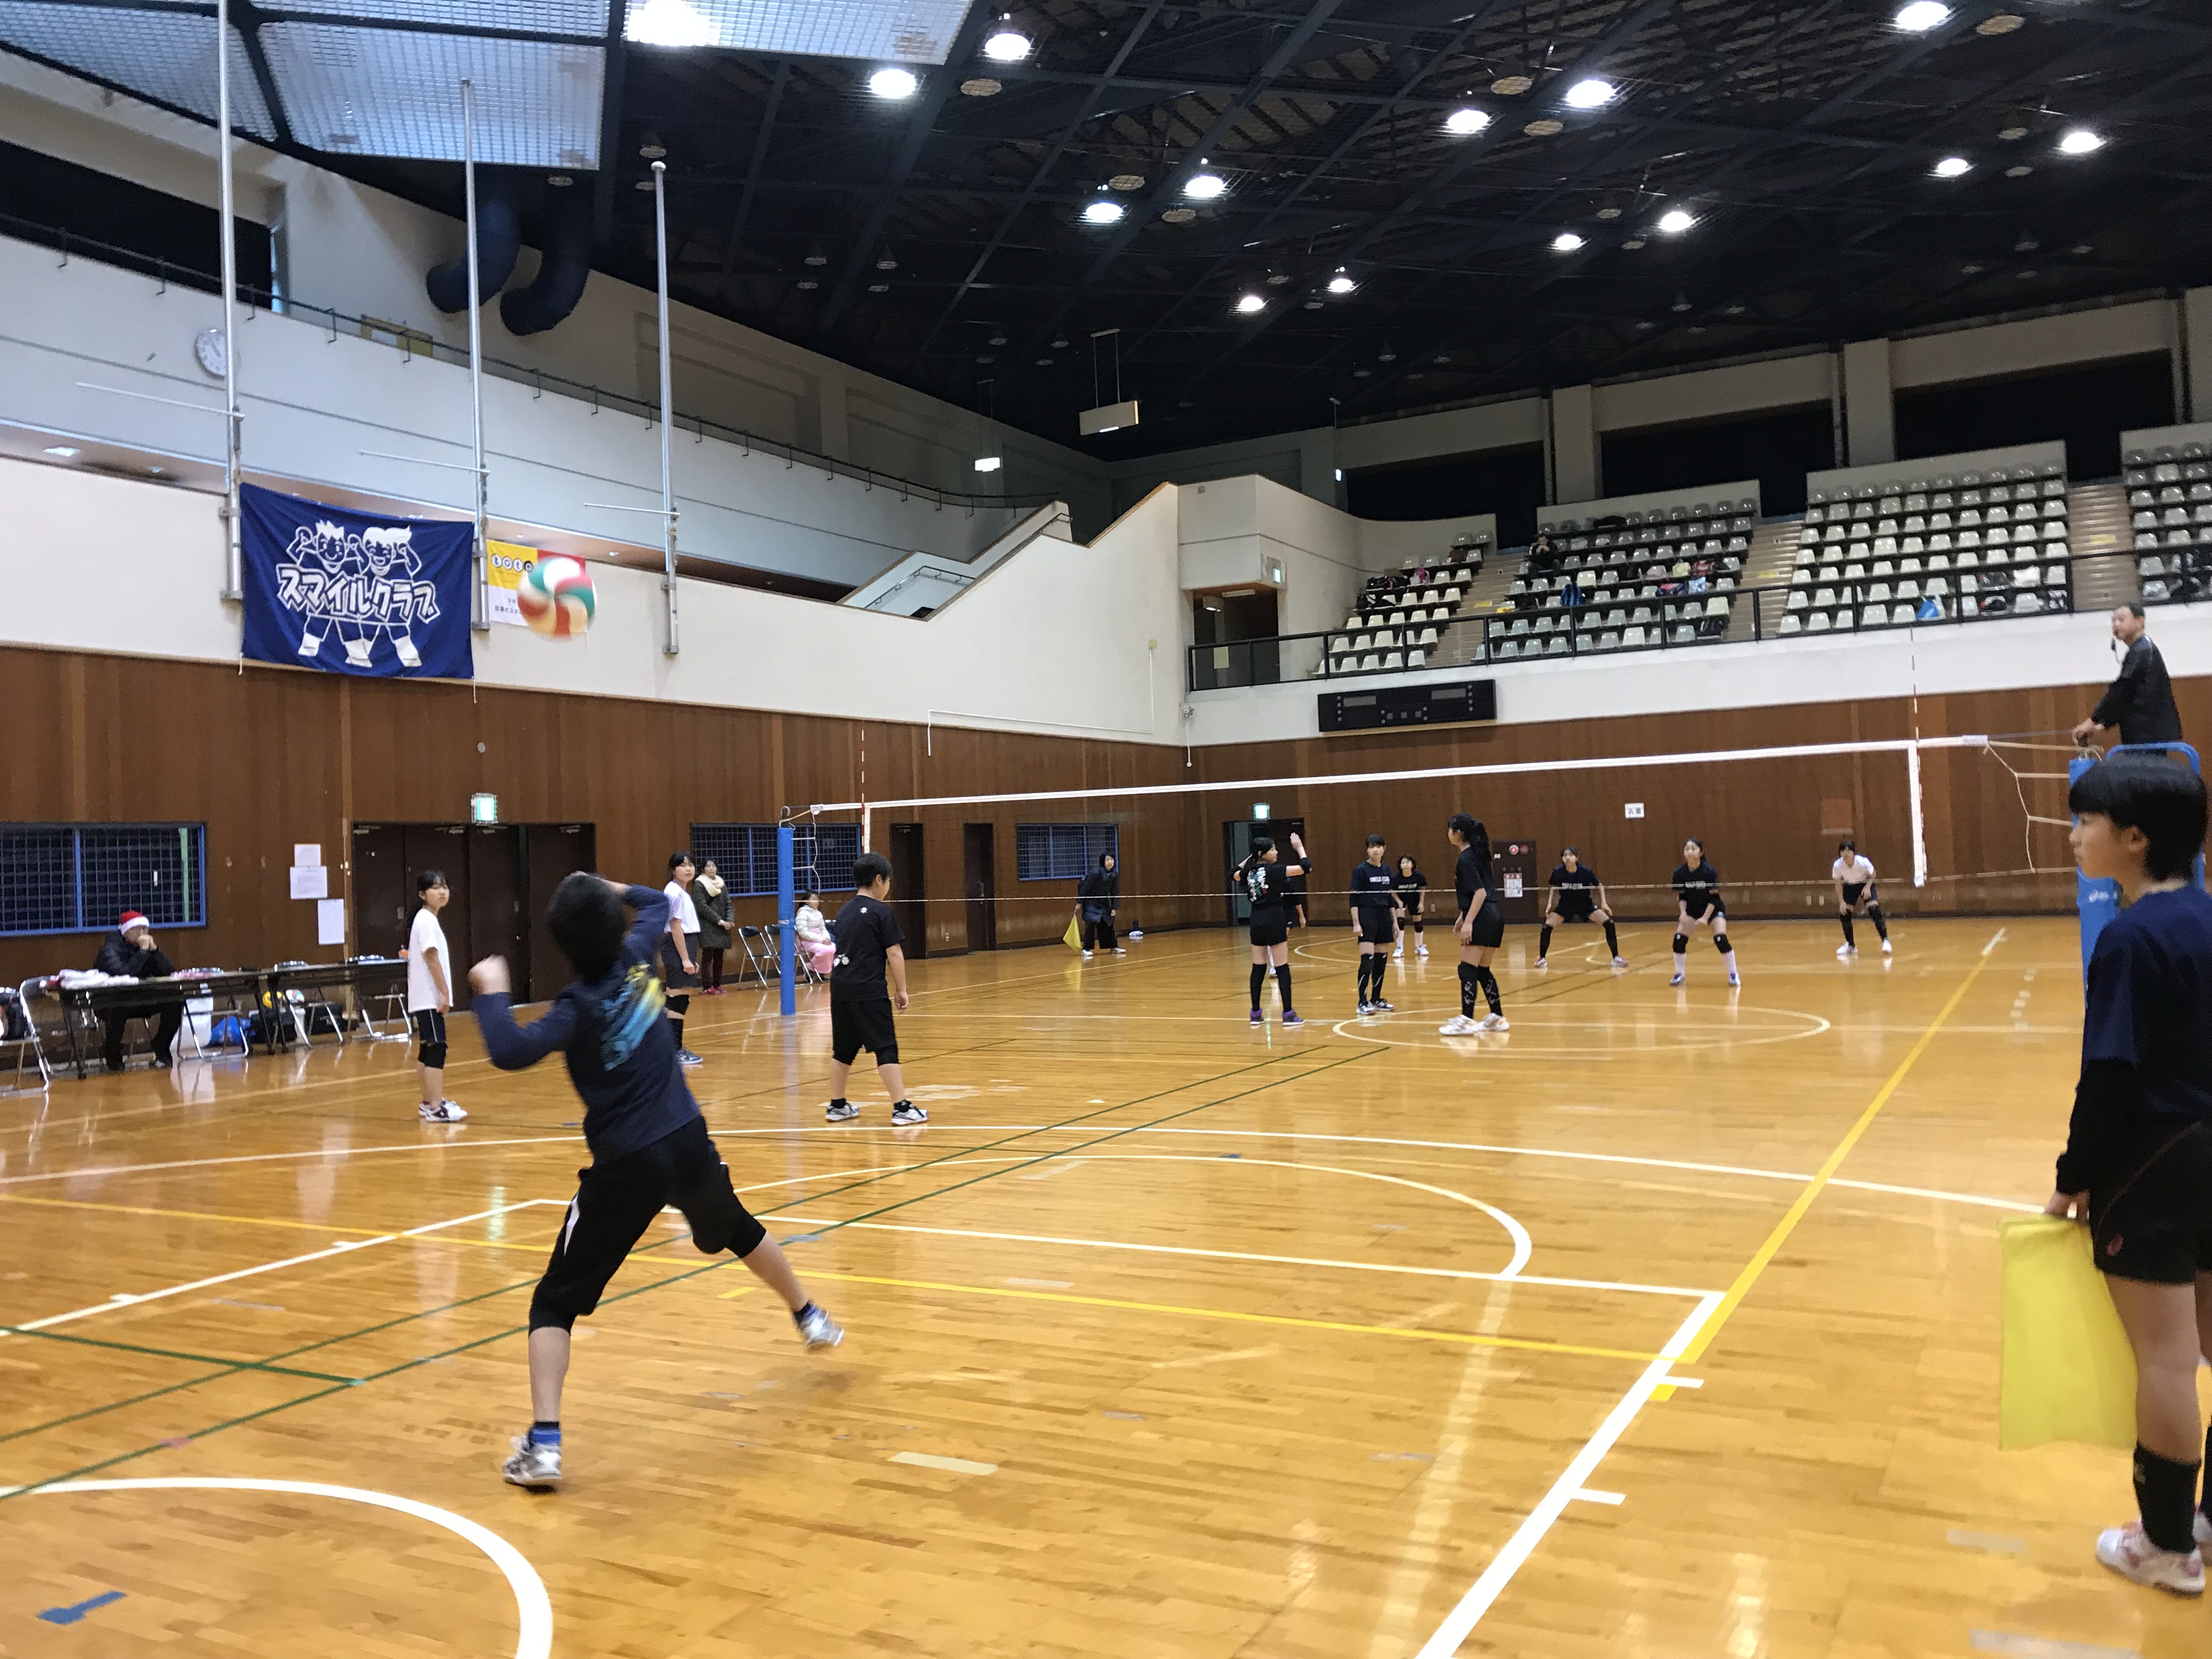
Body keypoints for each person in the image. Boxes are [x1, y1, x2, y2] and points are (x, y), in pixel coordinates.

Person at [468, 876, 844, 1491]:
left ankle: (544, 1447)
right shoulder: (640, 952)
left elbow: (510, 1050)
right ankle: (809, 1316)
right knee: (737, 1228)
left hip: (627, 1165)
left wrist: (492, 992)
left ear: (561, 944)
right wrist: (607, 885)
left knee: (554, 1303)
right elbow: (654, 901)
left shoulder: (576, 1007)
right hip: (686, 1138)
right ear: (613, 925)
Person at [2042, 757, 2212, 1594]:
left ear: (2135, 839)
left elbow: (2109, 1073)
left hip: (2156, 1167)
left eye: (2086, 822)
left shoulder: (2130, 938)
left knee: (2167, 1360)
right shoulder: (2207, 920)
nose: (2074, 836)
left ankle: (2169, 1547)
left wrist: (2074, 1175)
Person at [824, 852, 926, 1125]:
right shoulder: (882, 912)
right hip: (868, 989)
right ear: (879, 880)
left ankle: (837, 1105)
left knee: (843, 1049)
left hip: (841, 988)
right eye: (888, 881)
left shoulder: (844, 911)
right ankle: (902, 1108)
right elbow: (894, 952)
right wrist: (902, 990)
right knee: (886, 1046)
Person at [2075, 605, 2185, 751]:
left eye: (2121, 620)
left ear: (2139, 621)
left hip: (2148, 736)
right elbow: (2128, 697)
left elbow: (2123, 689)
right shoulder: (2140, 649)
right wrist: (2103, 724)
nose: (2116, 625)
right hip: (2145, 734)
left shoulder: (2142, 650)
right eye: (2113, 621)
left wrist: (2093, 720)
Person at [1439, 814, 1507, 1035]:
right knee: (1482, 970)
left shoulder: (1466, 859)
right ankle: (1497, 1017)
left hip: (1482, 916)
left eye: (1450, 829)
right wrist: (1463, 917)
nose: (1448, 833)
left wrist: (1469, 922)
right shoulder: (1479, 855)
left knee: (1467, 968)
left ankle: (1466, 1020)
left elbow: (1480, 893)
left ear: (1458, 833)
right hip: (1494, 915)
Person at [1235, 832, 1310, 1028]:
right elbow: (1305, 867)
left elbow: (1233, 872)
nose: (1276, 853)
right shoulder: (1275, 870)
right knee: (1282, 967)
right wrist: (1299, 848)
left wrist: (1253, 856)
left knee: (1258, 968)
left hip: (1256, 921)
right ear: (1263, 854)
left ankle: (1255, 1014)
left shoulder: (1248, 872)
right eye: (1273, 850)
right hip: (1275, 919)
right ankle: (1288, 1014)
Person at [407, 870, 464, 1121]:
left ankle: (428, 1103)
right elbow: (431, 956)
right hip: (429, 998)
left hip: (424, 999)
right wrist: (444, 992)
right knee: (436, 1049)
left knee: (427, 1050)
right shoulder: (426, 920)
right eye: (435, 887)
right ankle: (436, 1107)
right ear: (423, 894)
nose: (442, 892)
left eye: (445, 887)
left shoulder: (426, 919)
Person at [92, 910, 179, 1072]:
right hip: (110, 1000)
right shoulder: (110, 949)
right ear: (126, 931)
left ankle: (161, 1046)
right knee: (117, 1007)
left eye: (145, 929)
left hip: (139, 997)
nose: (142, 933)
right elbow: (124, 974)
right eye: (137, 929)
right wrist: (143, 952)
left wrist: (155, 951)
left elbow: (168, 972)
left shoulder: (145, 948)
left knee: (175, 999)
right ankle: (113, 1054)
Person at [1536, 848, 1625, 970]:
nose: (1568, 857)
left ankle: (1616, 958)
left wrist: (1604, 903)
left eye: (1571, 855)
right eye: (1565, 855)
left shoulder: (1585, 872)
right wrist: (1550, 904)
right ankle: (1542, 959)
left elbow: (1599, 885)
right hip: (1565, 906)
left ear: (1577, 858)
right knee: (1547, 927)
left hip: (1585, 905)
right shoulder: (1558, 872)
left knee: (1609, 923)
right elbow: (1554, 887)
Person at [1670, 838, 1739, 988]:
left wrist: (1705, 918)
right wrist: (1683, 913)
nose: (1690, 852)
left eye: (1693, 849)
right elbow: (1682, 896)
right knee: (1679, 939)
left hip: (1712, 909)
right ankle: (1680, 974)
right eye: (1687, 849)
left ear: (1701, 853)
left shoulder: (1708, 871)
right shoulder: (1680, 873)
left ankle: (1734, 974)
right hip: (1692, 910)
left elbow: (1714, 898)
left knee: (1720, 938)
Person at [661, 853, 704, 1068]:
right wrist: (685, 959)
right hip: (677, 944)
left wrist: (689, 958)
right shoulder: (674, 892)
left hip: (684, 944)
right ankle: (674, 1051)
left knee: (678, 996)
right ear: (673, 870)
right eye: (682, 865)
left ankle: (669, 1049)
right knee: (678, 998)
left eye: (690, 865)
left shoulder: (681, 891)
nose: (688, 869)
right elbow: (675, 927)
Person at [1350, 834, 1398, 1015]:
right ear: (1367, 850)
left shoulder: (1386, 870)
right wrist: (1356, 923)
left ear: (1384, 849)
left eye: (1378, 846)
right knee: (1367, 959)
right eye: (1371, 847)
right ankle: (1362, 1002)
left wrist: (1394, 922)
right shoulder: (1360, 871)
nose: (1375, 850)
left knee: (1381, 960)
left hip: (1383, 916)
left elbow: (1389, 898)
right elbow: (1353, 899)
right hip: (1367, 915)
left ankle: (1376, 999)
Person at [1831, 838, 1892, 958]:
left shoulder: (1862, 861)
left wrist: (1868, 887)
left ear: (1853, 852)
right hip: (1850, 886)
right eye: (1843, 851)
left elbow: (1873, 873)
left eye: (1848, 851)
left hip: (1865, 883)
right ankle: (1851, 945)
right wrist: (1841, 902)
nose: (1846, 854)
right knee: (1845, 914)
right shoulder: (1838, 865)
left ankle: (1885, 940)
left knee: (1874, 909)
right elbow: (1838, 883)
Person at [692, 859, 733, 995]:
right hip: (708, 925)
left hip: (723, 926)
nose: (711, 868)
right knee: (708, 957)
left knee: (719, 957)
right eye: (708, 866)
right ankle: (707, 986)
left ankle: (718, 984)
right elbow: (702, 907)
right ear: (703, 869)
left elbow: (728, 903)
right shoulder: (699, 884)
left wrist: (730, 920)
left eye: (714, 866)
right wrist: (719, 920)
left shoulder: (721, 883)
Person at [1075, 853, 1122, 959]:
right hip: (1091, 901)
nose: (1110, 862)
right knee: (1091, 923)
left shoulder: (1115, 874)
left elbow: (1115, 891)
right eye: (1107, 860)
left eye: (1112, 860)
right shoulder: (1095, 873)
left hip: (1104, 902)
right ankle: (1086, 949)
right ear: (1103, 862)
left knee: (1108, 922)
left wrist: (1114, 907)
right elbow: (1085, 887)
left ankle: (1113, 946)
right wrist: (1080, 902)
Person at [1390, 854, 1427, 959]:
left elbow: (1422, 889)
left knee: (1418, 923)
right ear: (1400, 865)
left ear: (1412, 864)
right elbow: (1392, 890)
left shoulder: (1418, 876)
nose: (1406, 864)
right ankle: (1399, 948)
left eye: (1408, 862)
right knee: (1400, 921)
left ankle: (1419, 947)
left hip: (1414, 898)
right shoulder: (1396, 878)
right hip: (1400, 898)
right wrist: (1398, 901)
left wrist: (1421, 903)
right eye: (1403, 863)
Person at [794, 889, 835, 979]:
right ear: (807, 901)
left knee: (834, 948)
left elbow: (823, 929)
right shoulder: (802, 913)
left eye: (817, 900)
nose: (817, 902)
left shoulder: (818, 913)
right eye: (814, 900)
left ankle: (821, 971)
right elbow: (803, 933)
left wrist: (827, 938)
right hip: (806, 941)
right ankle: (810, 967)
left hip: (820, 939)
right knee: (824, 951)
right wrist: (821, 940)